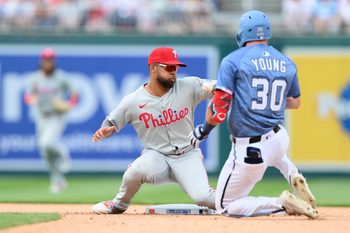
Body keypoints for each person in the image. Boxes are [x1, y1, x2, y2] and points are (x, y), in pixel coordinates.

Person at [189, 10, 318, 218]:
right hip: (278, 137)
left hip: (250, 148)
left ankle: (281, 204)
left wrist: (203, 130)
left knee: (225, 205)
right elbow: (295, 102)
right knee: (278, 154)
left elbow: (219, 111)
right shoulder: (286, 62)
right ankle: (294, 174)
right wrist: (261, 103)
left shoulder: (233, 61)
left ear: (243, 33)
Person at [91, 47, 216, 214]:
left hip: (188, 156)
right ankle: (118, 204)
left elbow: (221, 87)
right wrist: (106, 129)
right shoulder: (133, 100)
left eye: (176, 68)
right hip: (157, 157)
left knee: (203, 197)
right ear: (153, 67)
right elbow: (111, 120)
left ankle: (238, 203)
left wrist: (216, 87)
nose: (174, 72)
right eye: (169, 67)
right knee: (135, 170)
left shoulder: (190, 85)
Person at [24, 48, 78, 194]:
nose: (48, 62)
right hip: (41, 116)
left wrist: (69, 105)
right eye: (45, 59)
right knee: (45, 152)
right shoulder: (34, 78)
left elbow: (75, 94)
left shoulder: (61, 77)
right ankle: (58, 181)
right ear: (41, 61)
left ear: (54, 61)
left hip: (57, 115)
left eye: (50, 59)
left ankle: (63, 154)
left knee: (46, 143)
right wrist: (32, 99)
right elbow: (28, 96)